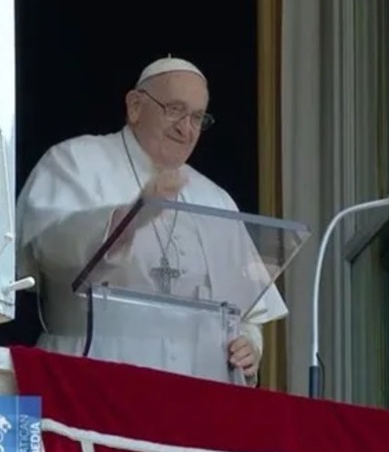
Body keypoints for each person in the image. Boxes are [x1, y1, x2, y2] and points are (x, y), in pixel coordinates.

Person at [15, 56, 288, 385]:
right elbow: (48, 251)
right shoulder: (75, 161)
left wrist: (250, 345)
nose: (186, 129)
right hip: (91, 378)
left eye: (197, 117)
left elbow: (246, 309)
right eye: (175, 109)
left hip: (194, 390)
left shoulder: (215, 198)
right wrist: (128, 219)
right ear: (135, 106)